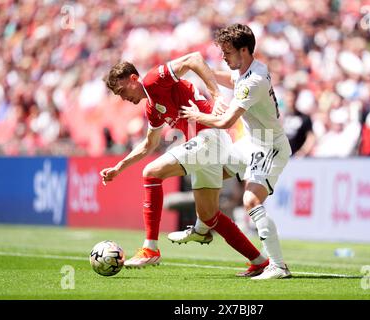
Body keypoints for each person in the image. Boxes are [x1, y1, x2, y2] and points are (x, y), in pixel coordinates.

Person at [100, 53, 269, 276]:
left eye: (122, 91)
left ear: (133, 79)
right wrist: (118, 167)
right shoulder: (152, 107)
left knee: (151, 173)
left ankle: (150, 249)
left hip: (209, 138)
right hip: (206, 145)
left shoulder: (153, 80)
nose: (123, 98)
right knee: (209, 216)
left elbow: (194, 59)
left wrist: (217, 94)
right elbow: (149, 144)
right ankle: (259, 261)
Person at [169, 24, 292, 280]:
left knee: (251, 201)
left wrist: (197, 115)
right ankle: (202, 227)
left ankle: (278, 266)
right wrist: (193, 69)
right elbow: (221, 76)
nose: (224, 57)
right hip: (251, 142)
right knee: (209, 167)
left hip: (269, 145)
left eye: (228, 52)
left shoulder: (254, 81)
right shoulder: (248, 71)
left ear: (244, 50)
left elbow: (225, 121)